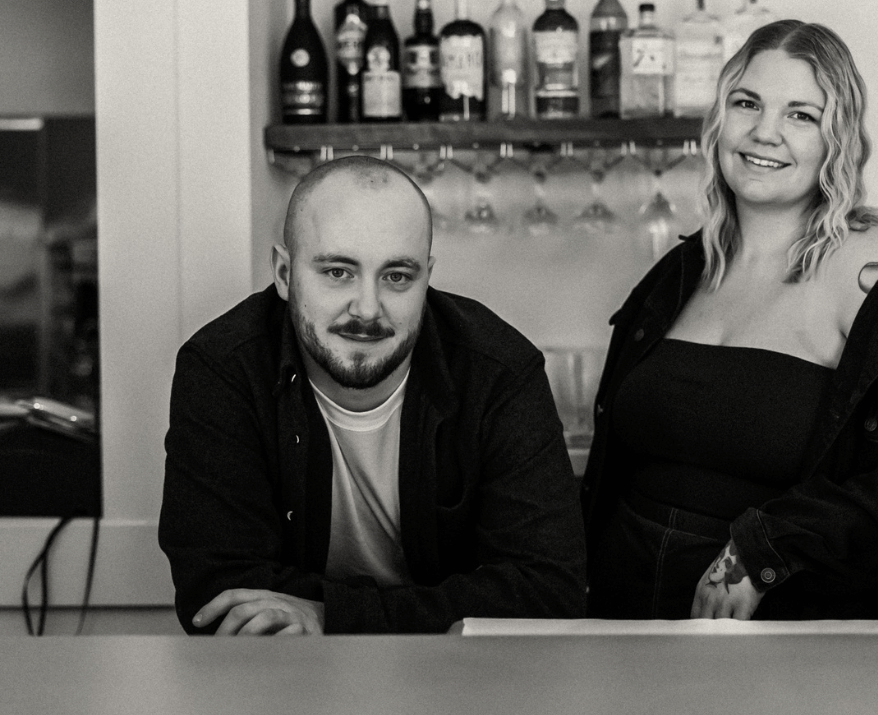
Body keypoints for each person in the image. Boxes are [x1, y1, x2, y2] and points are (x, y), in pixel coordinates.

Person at [582, 20, 878, 622]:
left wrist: (763, 548)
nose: (764, 132)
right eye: (747, 104)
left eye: (801, 115)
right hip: (622, 620)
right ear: (720, 121)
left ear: (837, 139)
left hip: (786, 630)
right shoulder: (679, 272)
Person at [159, 156, 586, 635]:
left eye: (397, 276)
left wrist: (330, 615)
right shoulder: (223, 370)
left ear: (427, 277)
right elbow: (218, 594)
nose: (367, 309)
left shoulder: (498, 372)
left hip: (457, 674)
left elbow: (550, 591)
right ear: (284, 273)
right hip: (288, 673)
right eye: (338, 272)